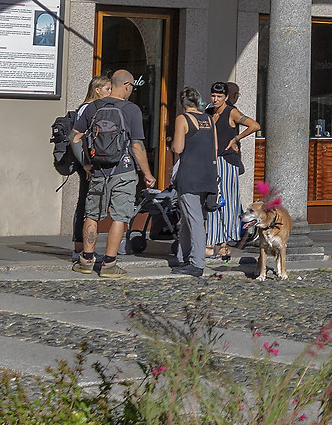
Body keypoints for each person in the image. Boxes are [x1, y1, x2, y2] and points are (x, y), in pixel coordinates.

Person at [79, 70, 152, 276]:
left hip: (99, 169)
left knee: (92, 214)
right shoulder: (132, 110)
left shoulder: (93, 107)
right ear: (127, 85)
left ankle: (86, 260)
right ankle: (109, 264)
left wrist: (87, 161)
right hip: (124, 170)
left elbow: (76, 136)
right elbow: (137, 145)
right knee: (120, 216)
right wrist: (147, 173)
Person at [166, 87, 218, 278]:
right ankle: (184, 256)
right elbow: (215, 148)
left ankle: (197, 263)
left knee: (194, 220)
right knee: (189, 219)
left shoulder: (183, 119)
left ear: (182, 104)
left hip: (190, 174)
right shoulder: (209, 120)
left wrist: (172, 143)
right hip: (207, 175)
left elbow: (178, 147)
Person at [66, 75, 114, 270]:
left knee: (88, 203)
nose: (110, 92)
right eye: (107, 89)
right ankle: (79, 247)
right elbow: (76, 137)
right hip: (87, 163)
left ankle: (82, 247)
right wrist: (85, 164)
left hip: (91, 162)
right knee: (85, 204)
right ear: (97, 90)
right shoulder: (88, 108)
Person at [208, 80, 257, 255]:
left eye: (219, 97)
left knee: (228, 202)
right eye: (213, 96)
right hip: (211, 161)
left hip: (227, 161)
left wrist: (236, 138)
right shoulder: (208, 112)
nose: (215, 99)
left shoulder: (231, 112)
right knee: (212, 201)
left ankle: (225, 243)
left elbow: (254, 125)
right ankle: (213, 240)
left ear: (226, 97)